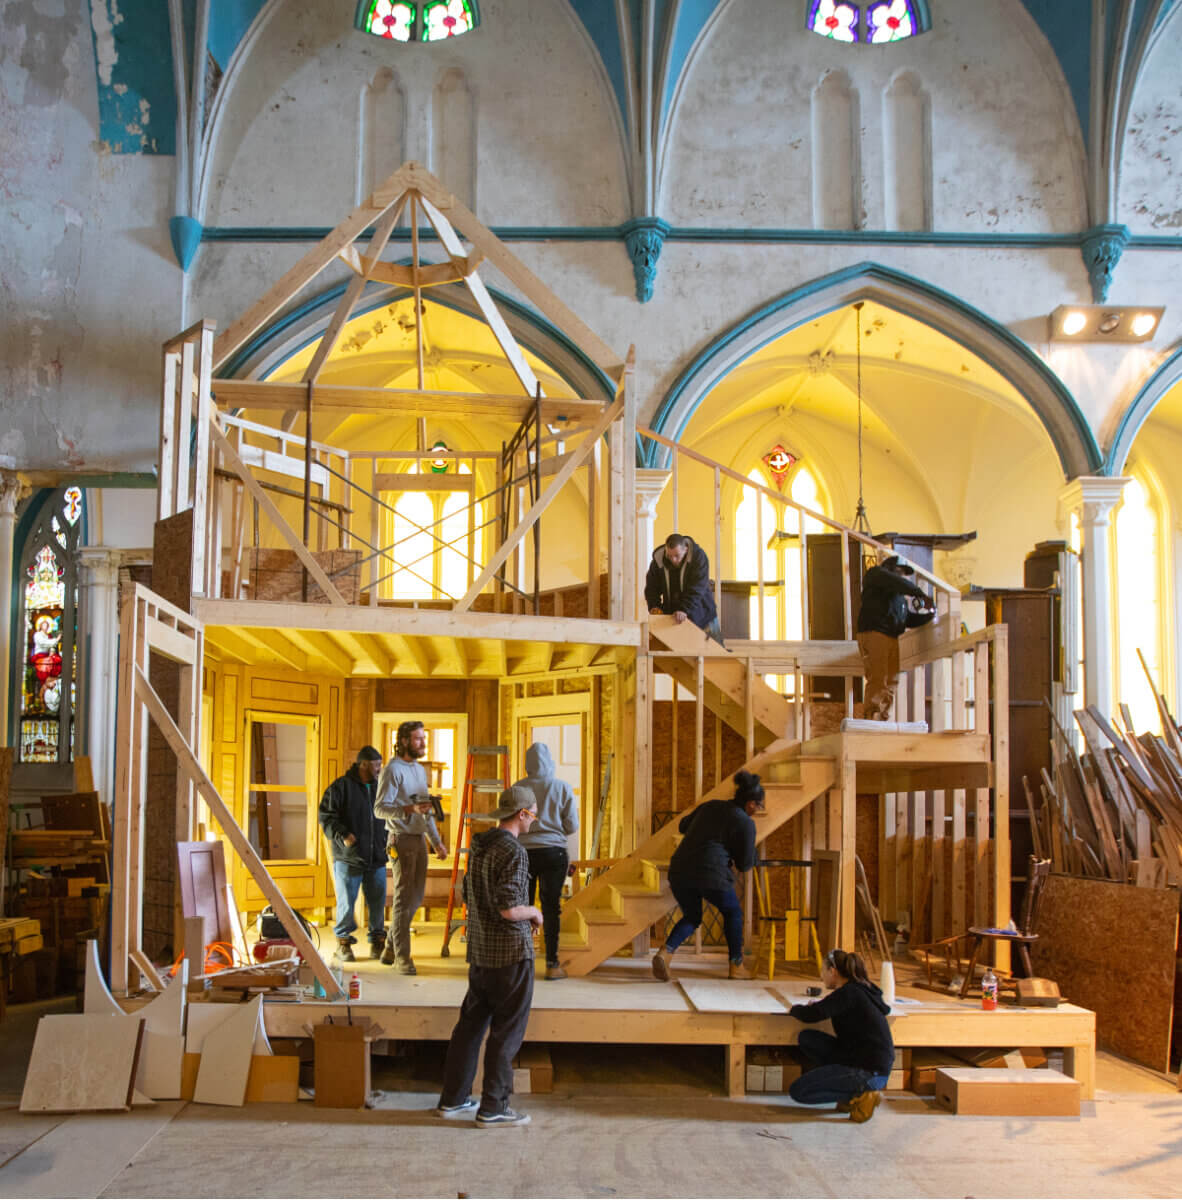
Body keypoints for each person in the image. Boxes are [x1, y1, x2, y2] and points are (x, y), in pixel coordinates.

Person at [434, 784, 543, 1128]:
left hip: (481, 953)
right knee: (506, 1032)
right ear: (522, 814)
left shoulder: (479, 847)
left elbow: (467, 892)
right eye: (532, 815)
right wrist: (535, 913)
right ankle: (494, 1106)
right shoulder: (513, 852)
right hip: (510, 955)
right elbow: (510, 909)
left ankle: (453, 1098)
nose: (533, 821)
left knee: (469, 1027)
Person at [651, 770, 764, 982]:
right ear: (751, 804)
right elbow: (746, 864)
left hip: (680, 869)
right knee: (733, 913)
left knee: (693, 917)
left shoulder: (711, 805)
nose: (759, 810)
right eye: (759, 806)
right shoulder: (746, 823)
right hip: (711, 873)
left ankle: (665, 954)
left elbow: (683, 825)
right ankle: (736, 967)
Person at [786, 948, 894, 1123]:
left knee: (799, 1091)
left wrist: (793, 1009)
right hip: (865, 1059)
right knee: (807, 1038)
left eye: (823, 971)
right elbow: (825, 1007)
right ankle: (848, 1087)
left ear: (833, 972)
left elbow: (812, 1015)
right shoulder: (860, 988)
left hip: (868, 1071)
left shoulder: (848, 993)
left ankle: (861, 1094)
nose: (822, 976)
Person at [373, 720, 447, 974]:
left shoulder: (417, 769)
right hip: (400, 840)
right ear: (403, 741)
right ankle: (402, 958)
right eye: (418, 739)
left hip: (418, 840)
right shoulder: (392, 770)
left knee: (415, 899)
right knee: (404, 900)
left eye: (423, 739)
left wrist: (436, 843)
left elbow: (425, 810)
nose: (423, 743)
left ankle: (391, 947)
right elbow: (379, 809)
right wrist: (408, 809)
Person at [514, 742, 579, 981]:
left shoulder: (519, 787)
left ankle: (523, 963)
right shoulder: (562, 787)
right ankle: (552, 964)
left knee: (523, 906)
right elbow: (571, 826)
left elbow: (510, 822)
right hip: (554, 852)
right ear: (549, 762)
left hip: (523, 852)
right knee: (551, 907)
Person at [318, 745, 389, 962]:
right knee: (346, 903)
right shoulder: (341, 787)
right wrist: (344, 834)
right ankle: (343, 944)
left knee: (377, 902)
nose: (379, 769)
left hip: (376, 857)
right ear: (364, 764)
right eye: (376, 765)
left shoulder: (381, 789)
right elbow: (326, 817)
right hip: (349, 857)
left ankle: (377, 942)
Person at [856, 553, 936, 720]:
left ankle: (882, 716)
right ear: (890, 569)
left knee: (891, 681)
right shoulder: (875, 575)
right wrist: (919, 593)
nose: (901, 576)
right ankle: (872, 716)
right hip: (875, 633)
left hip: (892, 638)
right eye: (899, 572)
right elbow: (893, 581)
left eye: (903, 574)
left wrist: (929, 616)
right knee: (879, 678)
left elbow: (907, 620)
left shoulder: (898, 598)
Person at [645, 532, 723, 643]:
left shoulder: (698, 557)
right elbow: (651, 588)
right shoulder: (658, 561)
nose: (673, 560)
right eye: (669, 556)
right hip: (675, 618)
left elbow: (697, 587)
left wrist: (684, 609)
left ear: (685, 549)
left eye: (677, 556)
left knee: (715, 655)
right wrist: (654, 606)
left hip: (703, 614)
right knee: (680, 656)